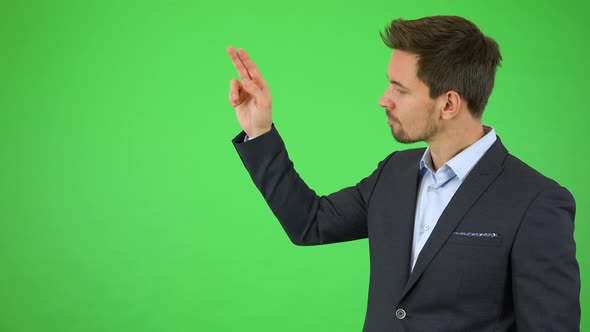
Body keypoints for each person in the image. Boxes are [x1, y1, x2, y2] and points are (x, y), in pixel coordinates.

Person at [226, 15, 580, 331]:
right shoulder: (394, 173)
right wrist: (260, 131)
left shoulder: (536, 202)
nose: (384, 99)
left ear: (449, 103)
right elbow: (309, 223)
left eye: (400, 89)